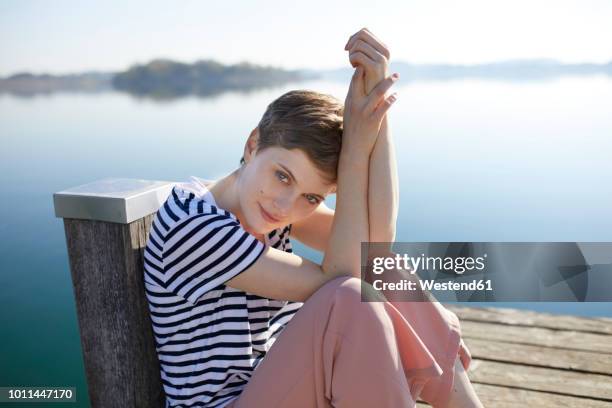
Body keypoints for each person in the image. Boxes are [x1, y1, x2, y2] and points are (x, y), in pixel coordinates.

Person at [143, 28, 483, 408]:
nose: (285, 205)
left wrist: (377, 119)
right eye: (282, 175)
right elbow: (340, 280)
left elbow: (375, 246)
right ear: (252, 144)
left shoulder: (265, 209)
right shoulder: (196, 226)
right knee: (350, 296)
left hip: (287, 385)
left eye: (310, 196)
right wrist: (354, 150)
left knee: (385, 269)